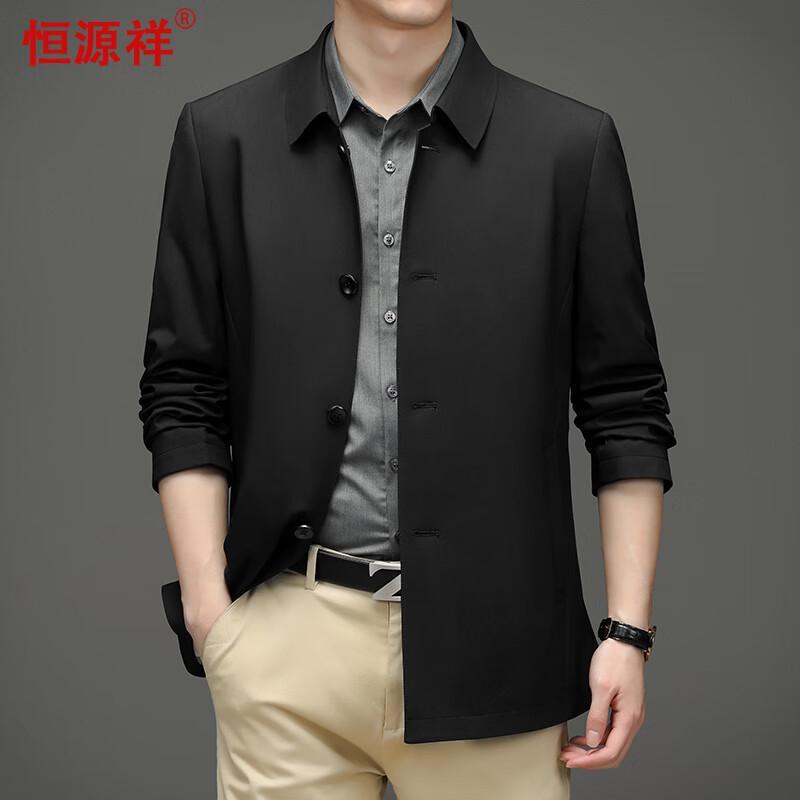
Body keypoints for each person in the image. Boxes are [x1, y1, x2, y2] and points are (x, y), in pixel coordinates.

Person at [137, 2, 676, 798]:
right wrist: (211, 613)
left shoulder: (570, 146)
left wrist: (626, 633)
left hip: (497, 652)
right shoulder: (222, 137)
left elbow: (624, 403)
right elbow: (183, 386)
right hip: (285, 645)